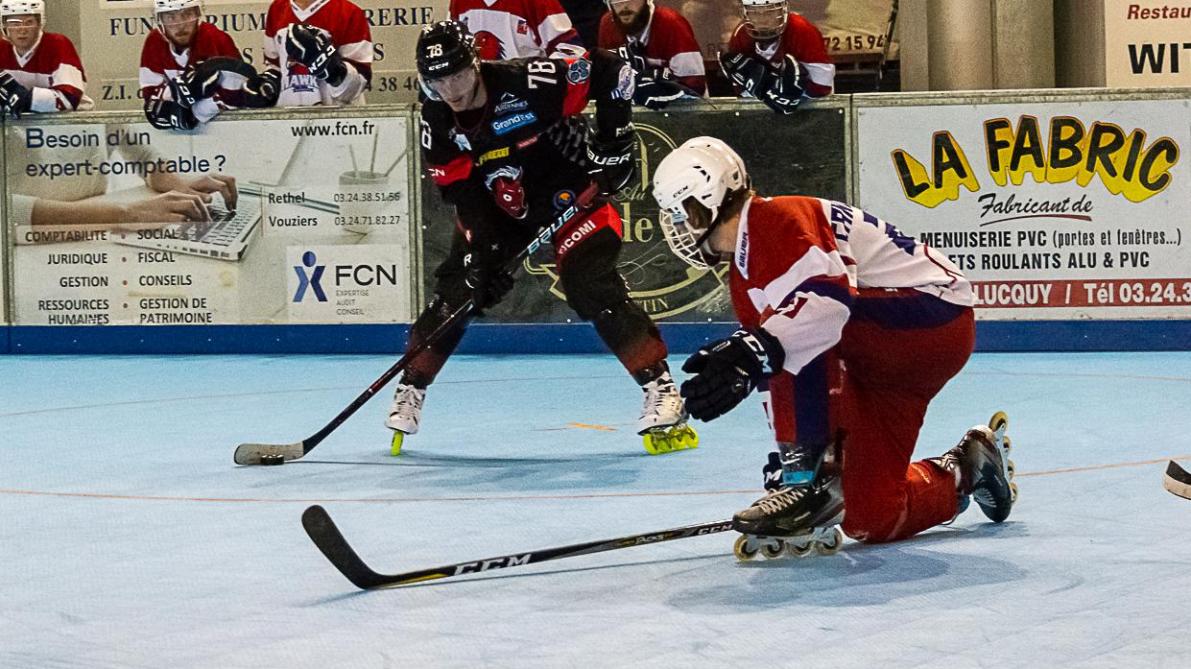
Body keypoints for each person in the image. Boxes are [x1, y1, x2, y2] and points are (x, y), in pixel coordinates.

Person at [651, 136, 1016, 559]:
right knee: (870, 516)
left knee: (789, 332)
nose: (676, 229)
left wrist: (799, 470)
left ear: (704, 201)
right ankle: (970, 469)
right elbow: (776, 369)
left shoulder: (778, 218)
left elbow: (826, 306)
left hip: (929, 320)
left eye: (678, 215)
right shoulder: (743, 272)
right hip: (885, 361)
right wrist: (784, 452)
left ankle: (807, 475)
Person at [385, 20, 697, 456]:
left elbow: (613, 70)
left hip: (573, 197)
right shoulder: (436, 119)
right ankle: (411, 387)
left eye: (457, 74)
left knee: (590, 285)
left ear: (476, 63)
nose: (451, 89)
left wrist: (615, 143)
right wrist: (483, 255)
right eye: (439, 79)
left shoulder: (529, 83)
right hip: (501, 211)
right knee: (461, 290)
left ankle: (661, 389)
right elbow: (460, 190)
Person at [140, 0, 280, 131]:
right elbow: (153, 104)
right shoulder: (154, 43)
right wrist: (184, 90)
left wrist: (193, 107)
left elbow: (237, 94)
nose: (180, 24)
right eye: (171, 17)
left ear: (197, 14)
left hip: (223, 132)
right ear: (160, 21)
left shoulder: (216, 39)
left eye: (187, 14)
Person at [719, 0, 834, 114]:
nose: (762, 20)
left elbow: (823, 86)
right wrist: (768, 90)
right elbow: (742, 93)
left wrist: (795, 94)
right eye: (754, 12)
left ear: (783, 10)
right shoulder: (740, 36)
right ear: (745, 13)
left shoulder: (802, 30)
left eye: (769, 12)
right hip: (761, 118)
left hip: (812, 115)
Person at [597, 0, 706, 110]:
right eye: (617, 1)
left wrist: (663, 91)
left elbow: (695, 85)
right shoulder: (607, 25)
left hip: (684, 114)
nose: (625, 6)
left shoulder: (672, 23)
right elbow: (606, 81)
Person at [263, 0, 372, 107]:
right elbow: (275, 66)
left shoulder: (349, 12)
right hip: (287, 117)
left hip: (336, 118)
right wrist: (266, 86)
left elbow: (359, 83)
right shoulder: (277, 9)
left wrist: (333, 69)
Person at [0, 0, 93, 117]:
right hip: (20, 127)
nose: (22, 29)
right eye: (14, 23)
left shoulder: (57, 45)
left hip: (70, 128)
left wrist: (27, 98)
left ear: (40, 24)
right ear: (4, 26)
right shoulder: (1, 48)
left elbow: (69, 99)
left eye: (29, 22)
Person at [450, 0, 582, 60]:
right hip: (480, 101)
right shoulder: (459, 2)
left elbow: (572, 49)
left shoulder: (537, 2)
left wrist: (541, 82)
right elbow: (451, 48)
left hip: (527, 105)